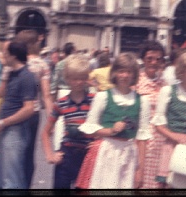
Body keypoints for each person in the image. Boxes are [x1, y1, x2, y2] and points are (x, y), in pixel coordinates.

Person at [76, 52, 153, 189]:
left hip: (129, 152)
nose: (124, 76)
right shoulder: (103, 97)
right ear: (114, 73)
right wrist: (110, 130)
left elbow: (142, 138)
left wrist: (140, 170)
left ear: (134, 75)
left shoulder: (142, 101)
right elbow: (90, 128)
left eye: (129, 72)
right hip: (107, 150)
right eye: (121, 71)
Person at [0, 41, 39, 189]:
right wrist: (4, 75)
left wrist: (3, 123)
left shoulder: (27, 76)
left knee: (11, 179)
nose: (2, 56)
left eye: (5, 53)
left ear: (13, 56)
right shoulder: (11, 73)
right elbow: (0, 94)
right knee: (2, 176)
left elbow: (29, 109)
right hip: (5, 128)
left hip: (15, 130)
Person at [151, 50, 186, 188]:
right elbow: (159, 124)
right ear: (180, 71)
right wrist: (175, 136)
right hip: (172, 145)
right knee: (168, 186)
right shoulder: (168, 91)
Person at [41, 54, 95, 189]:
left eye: (82, 78)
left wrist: (97, 142)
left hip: (87, 156)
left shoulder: (94, 101)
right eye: (74, 79)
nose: (78, 82)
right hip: (67, 154)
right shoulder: (61, 103)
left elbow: (104, 126)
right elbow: (46, 132)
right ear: (67, 79)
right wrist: (50, 155)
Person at [12, 29, 54, 188]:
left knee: (15, 152)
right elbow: (46, 94)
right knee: (29, 153)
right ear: (35, 43)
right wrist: (51, 119)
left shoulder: (15, 63)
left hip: (15, 112)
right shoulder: (43, 65)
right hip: (33, 114)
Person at [135, 40, 167, 188]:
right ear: (143, 59)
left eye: (158, 59)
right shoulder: (135, 83)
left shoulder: (165, 84)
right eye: (150, 59)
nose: (154, 62)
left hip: (160, 140)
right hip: (140, 139)